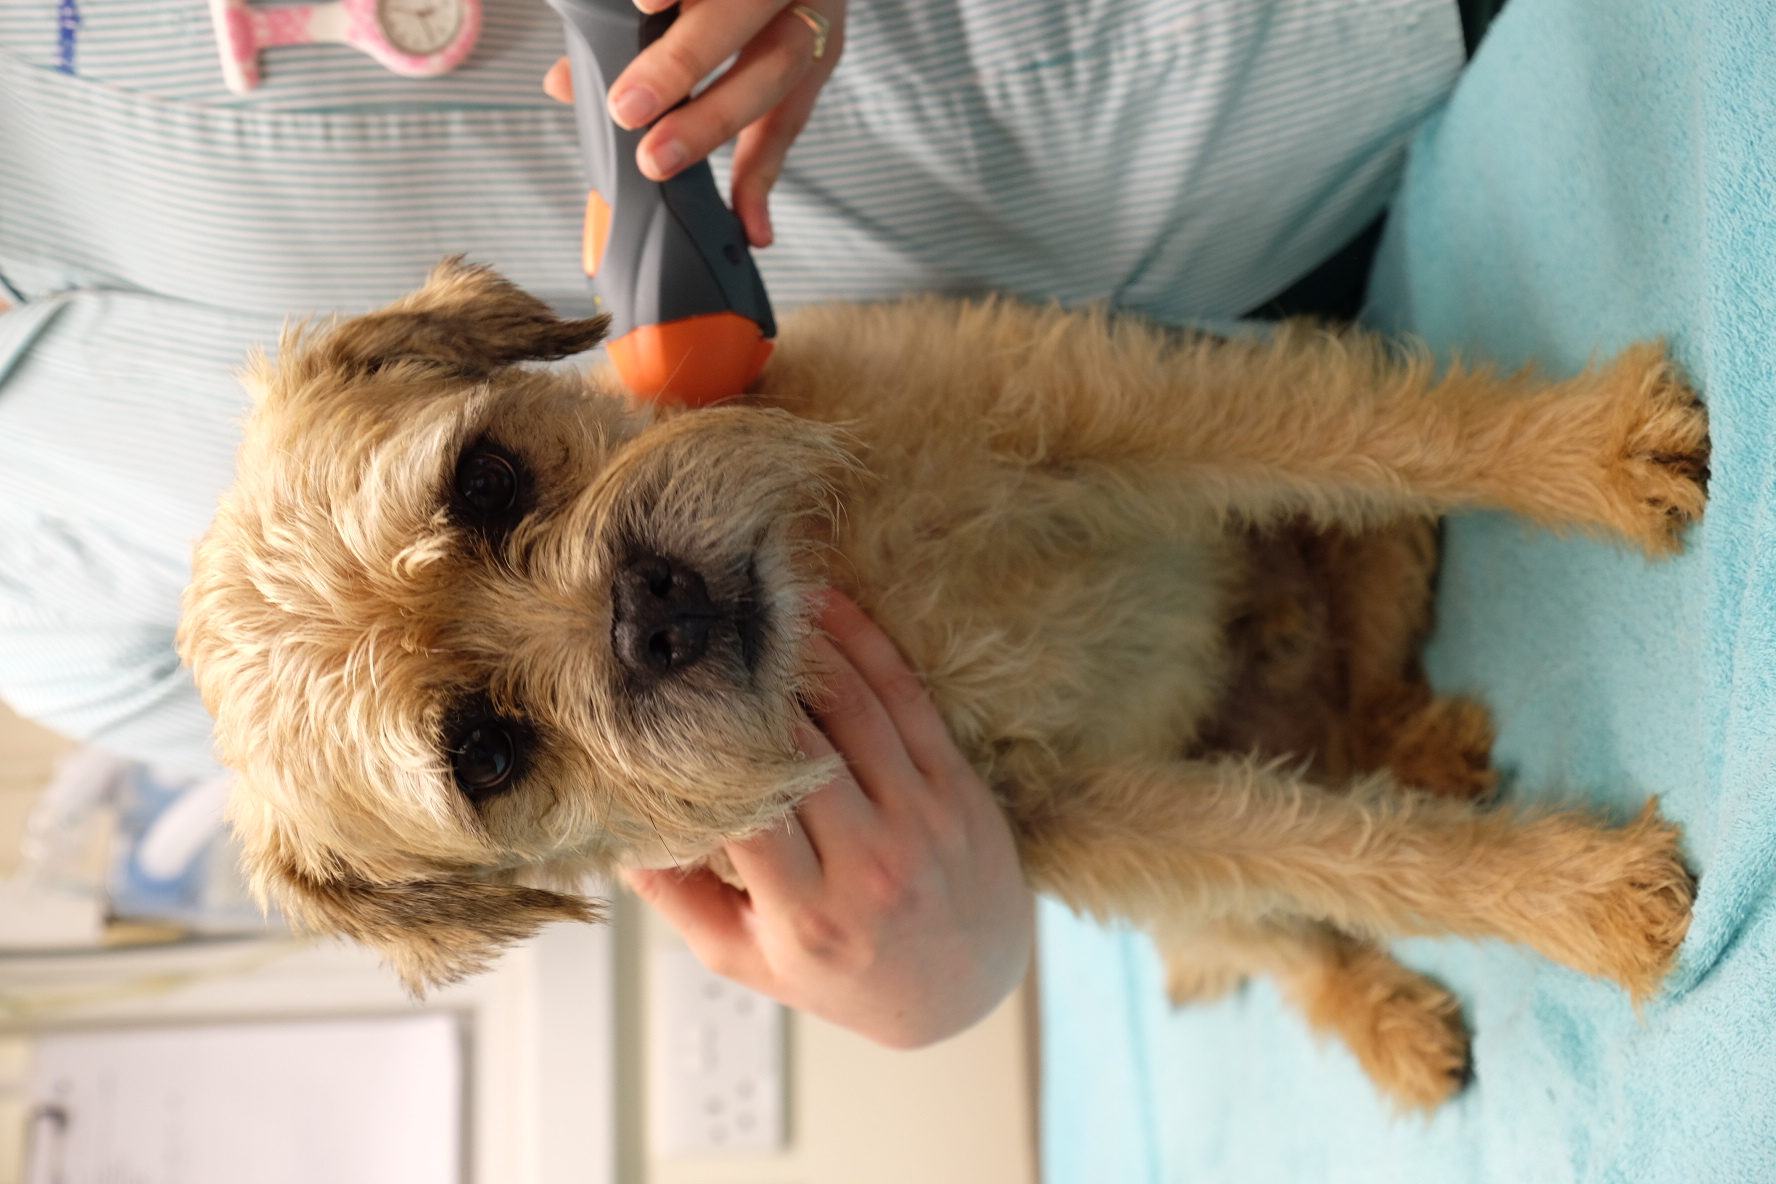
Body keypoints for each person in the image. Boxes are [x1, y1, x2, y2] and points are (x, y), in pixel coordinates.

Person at [0, 0, 1467, 1045]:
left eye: (493, 491)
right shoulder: (40, 627)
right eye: (489, 734)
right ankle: (1298, 957)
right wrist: (925, 982)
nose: (595, 616)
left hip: (1286, 121)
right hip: (1252, 422)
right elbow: (592, 826)